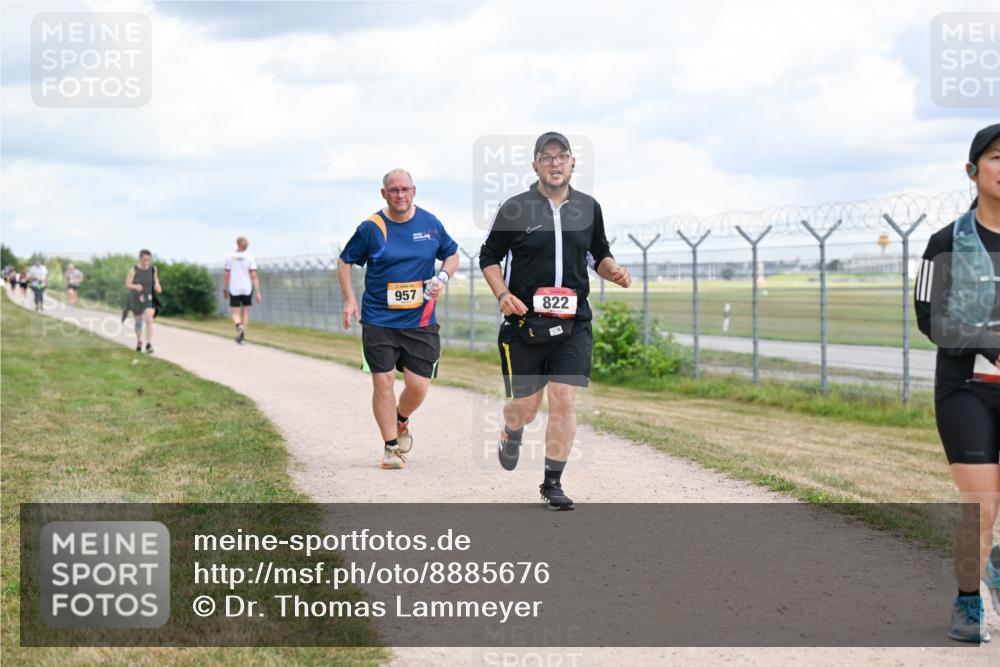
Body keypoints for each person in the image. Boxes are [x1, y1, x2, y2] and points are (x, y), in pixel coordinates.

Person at [479, 132, 631, 510]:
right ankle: (511, 430)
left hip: (573, 323)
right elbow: (489, 258)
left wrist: (613, 272)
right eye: (547, 158)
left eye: (562, 156)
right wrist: (503, 295)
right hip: (524, 325)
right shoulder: (515, 208)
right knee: (526, 409)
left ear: (573, 162)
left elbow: (598, 254)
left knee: (564, 400)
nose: (555, 163)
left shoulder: (589, 208)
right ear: (535, 165)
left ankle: (552, 482)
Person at [915, 123, 1000, 643]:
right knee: (982, 506)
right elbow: (930, 319)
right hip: (967, 389)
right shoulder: (946, 241)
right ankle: (969, 602)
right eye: (997, 157)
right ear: (973, 170)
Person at [338, 168, 459, 470]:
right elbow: (345, 261)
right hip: (379, 319)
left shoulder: (430, 224)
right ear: (384, 194)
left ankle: (400, 419)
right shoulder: (372, 227)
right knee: (383, 380)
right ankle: (391, 447)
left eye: (405, 189)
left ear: (414, 191)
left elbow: (452, 254)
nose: (400, 195)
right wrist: (350, 300)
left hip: (420, 320)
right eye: (393, 190)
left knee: (418, 385)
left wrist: (442, 276)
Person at [222, 236, 262, 344]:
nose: (248, 245)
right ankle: (242, 335)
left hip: (234, 288)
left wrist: (224, 289)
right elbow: (254, 276)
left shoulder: (230, 257)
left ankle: (238, 325)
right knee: (245, 310)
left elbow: (226, 275)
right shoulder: (250, 257)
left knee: (235, 313)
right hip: (247, 288)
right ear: (244, 244)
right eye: (247, 243)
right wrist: (258, 292)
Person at [125, 249, 162, 354]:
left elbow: (156, 281)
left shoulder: (153, 269)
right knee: (138, 322)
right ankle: (139, 341)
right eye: (145, 259)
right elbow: (127, 284)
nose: (147, 262)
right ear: (140, 259)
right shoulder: (133, 269)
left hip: (149, 297)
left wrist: (157, 286)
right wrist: (135, 286)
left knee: (149, 319)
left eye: (149, 260)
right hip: (136, 298)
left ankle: (149, 344)